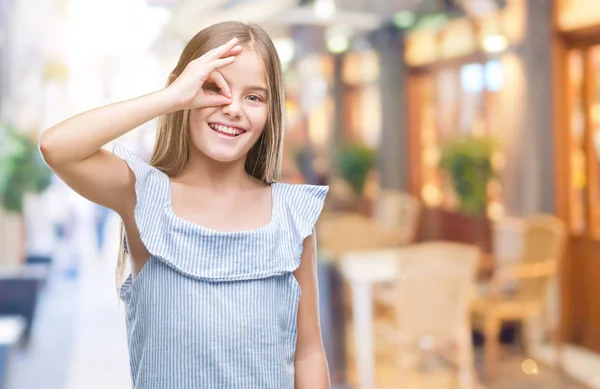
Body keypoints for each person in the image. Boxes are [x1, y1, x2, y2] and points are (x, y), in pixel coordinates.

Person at [39, 21, 330, 389]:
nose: (234, 108)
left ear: (271, 112)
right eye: (214, 88)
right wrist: (170, 97)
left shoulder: (291, 215)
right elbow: (57, 147)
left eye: (254, 97)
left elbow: (308, 351)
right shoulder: (143, 196)